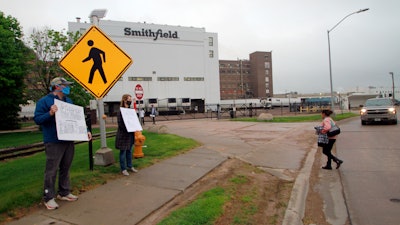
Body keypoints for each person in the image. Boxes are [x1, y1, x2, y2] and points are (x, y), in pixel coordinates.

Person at [34, 77, 92, 210]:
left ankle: (64, 192)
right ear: (57, 87)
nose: (68, 87)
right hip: (53, 140)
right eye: (65, 85)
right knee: (51, 169)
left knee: (65, 167)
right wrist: (50, 113)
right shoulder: (44, 101)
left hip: (68, 139)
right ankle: (48, 197)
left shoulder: (68, 101)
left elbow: (77, 119)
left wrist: (86, 130)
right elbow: (37, 119)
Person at [115, 94, 138, 176]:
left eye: (130, 99)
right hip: (123, 134)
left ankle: (130, 166)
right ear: (125, 100)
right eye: (129, 99)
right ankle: (123, 169)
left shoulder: (130, 110)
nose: (130, 101)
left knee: (129, 151)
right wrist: (128, 128)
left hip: (130, 134)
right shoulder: (121, 111)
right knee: (123, 152)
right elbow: (120, 123)